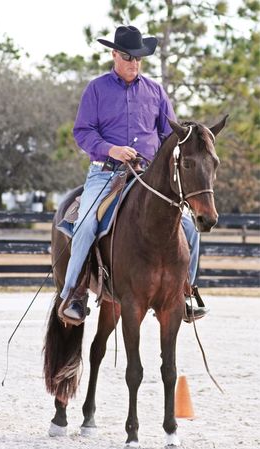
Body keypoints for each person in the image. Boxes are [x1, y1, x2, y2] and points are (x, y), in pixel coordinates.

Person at [59, 25, 208, 323]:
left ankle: (186, 292)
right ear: (114, 54)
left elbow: (171, 135)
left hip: (147, 178)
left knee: (190, 229)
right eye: (128, 56)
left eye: (138, 58)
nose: (133, 62)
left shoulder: (155, 92)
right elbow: (82, 132)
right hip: (106, 174)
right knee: (87, 224)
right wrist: (111, 149)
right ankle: (73, 294)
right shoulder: (97, 89)